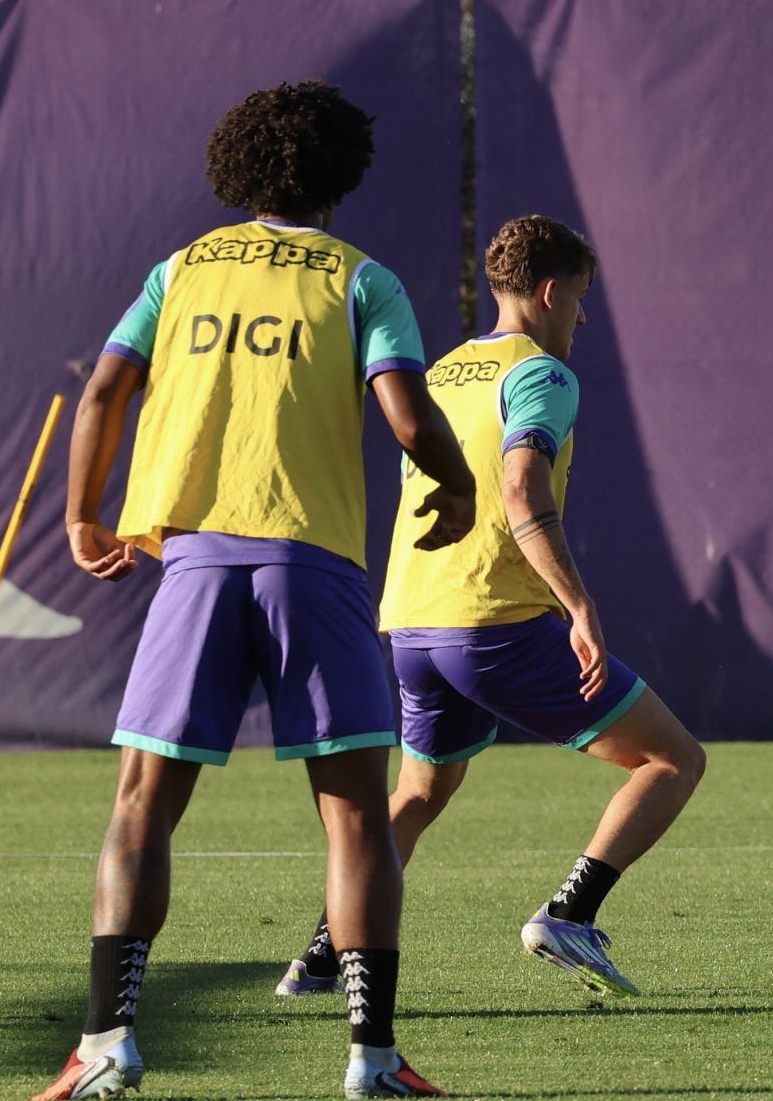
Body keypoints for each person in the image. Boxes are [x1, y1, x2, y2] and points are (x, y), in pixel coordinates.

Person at [38, 81, 475, 1099]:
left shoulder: (181, 268)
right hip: (309, 560)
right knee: (357, 814)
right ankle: (371, 1056)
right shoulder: (362, 279)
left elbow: (104, 388)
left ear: (238, 170)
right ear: (339, 175)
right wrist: (453, 484)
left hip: (193, 559)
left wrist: (82, 515)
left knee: (143, 802)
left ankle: (106, 1044)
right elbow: (408, 418)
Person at [275, 214, 705, 1003]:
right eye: (579, 299)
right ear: (548, 292)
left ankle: (322, 958)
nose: (582, 317)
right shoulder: (541, 373)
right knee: (674, 760)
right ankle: (571, 914)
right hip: (492, 622)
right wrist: (577, 603)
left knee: (418, 794)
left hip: (410, 621)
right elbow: (519, 489)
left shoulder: (441, 372)